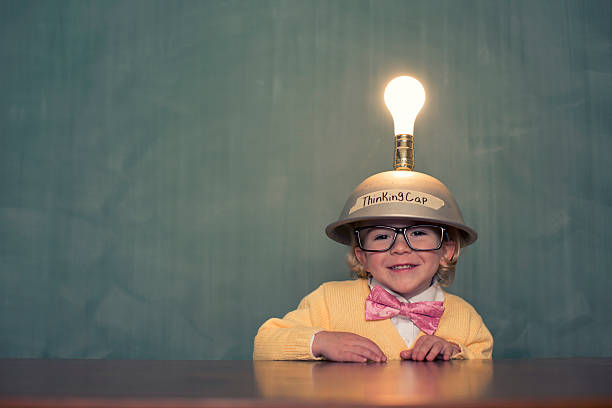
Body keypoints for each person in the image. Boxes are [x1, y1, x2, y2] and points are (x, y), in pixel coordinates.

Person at [253, 170, 493, 362]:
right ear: (362, 256)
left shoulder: (466, 316)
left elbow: (485, 367)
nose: (400, 248)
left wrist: (454, 351)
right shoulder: (328, 300)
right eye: (382, 237)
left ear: (446, 251)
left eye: (418, 233)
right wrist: (322, 341)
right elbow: (265, 342)